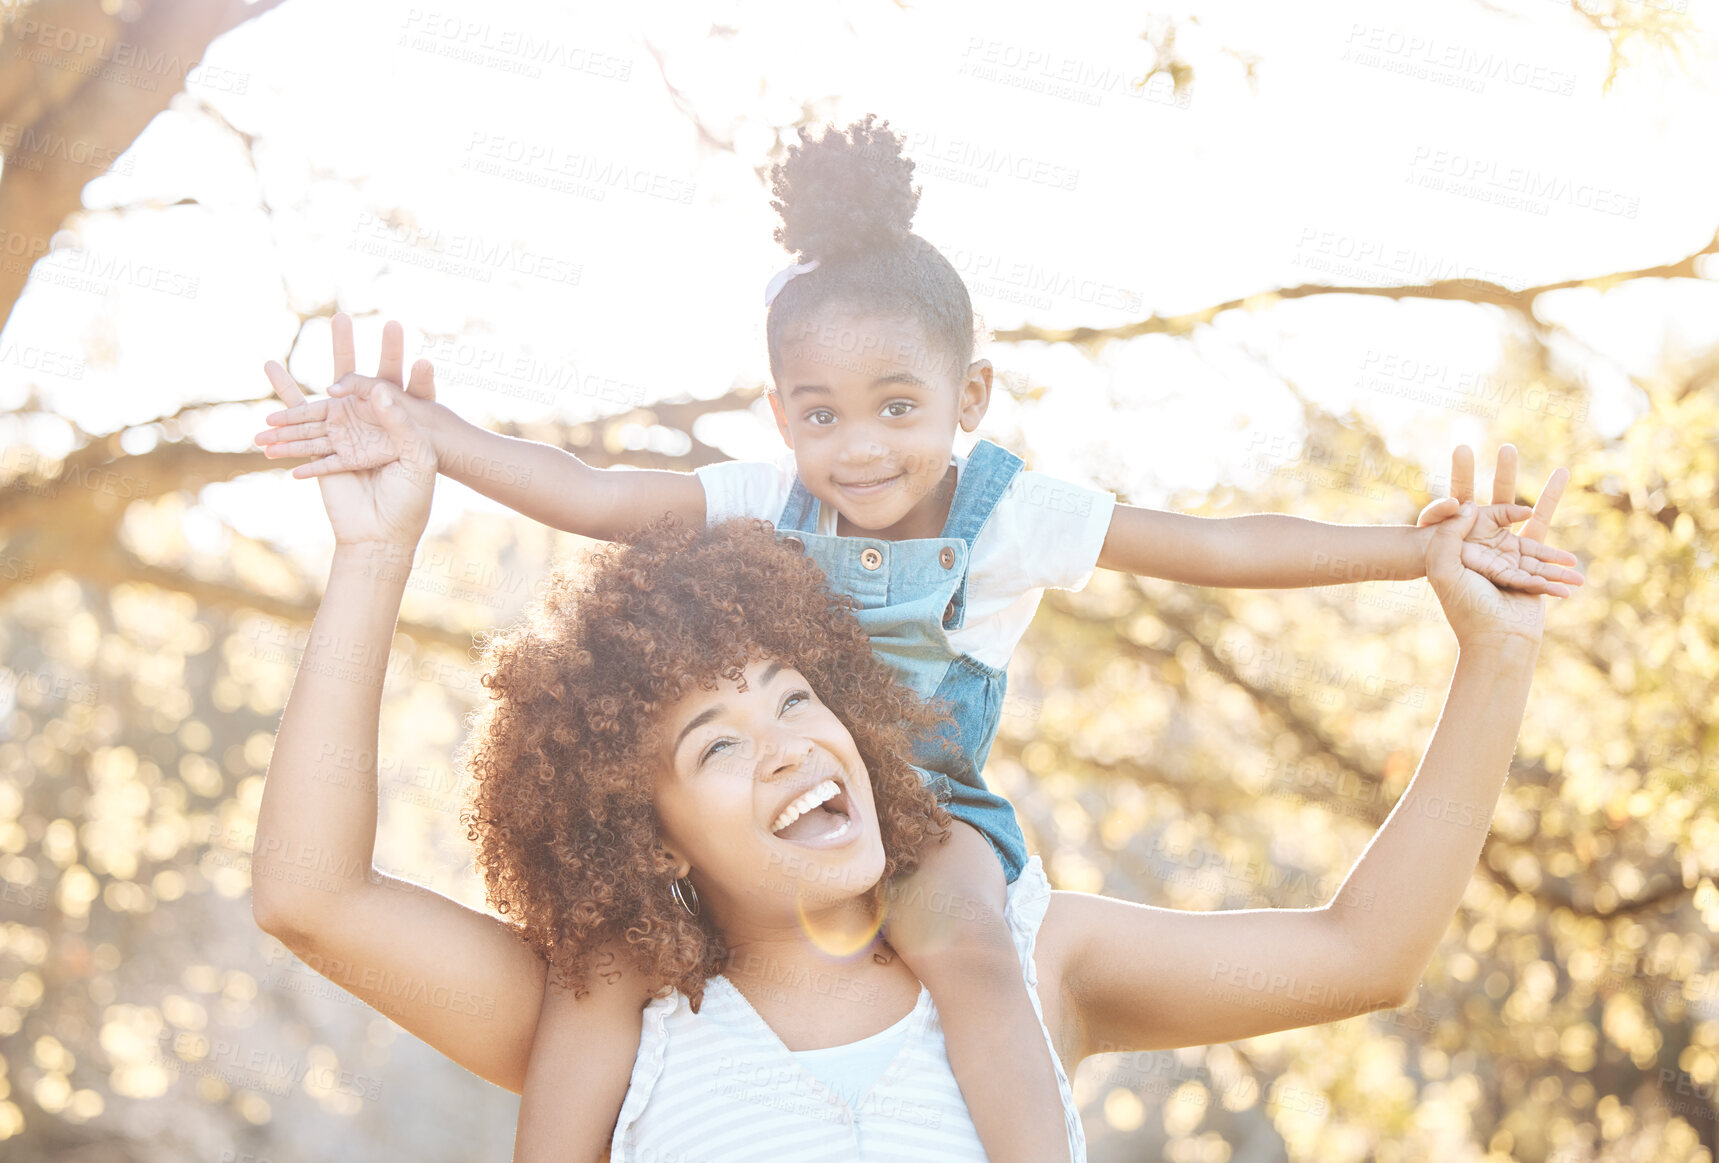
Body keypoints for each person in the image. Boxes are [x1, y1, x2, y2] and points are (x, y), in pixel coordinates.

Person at [254, 117, 1580, 1160]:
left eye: (792, 694)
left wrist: (1486, 645)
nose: (784, 745)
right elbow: (309, 899)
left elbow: (1368, 955)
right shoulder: (620, 1010)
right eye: (715, 739)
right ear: (647, 825)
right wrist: (380, 544)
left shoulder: (1020, 944)